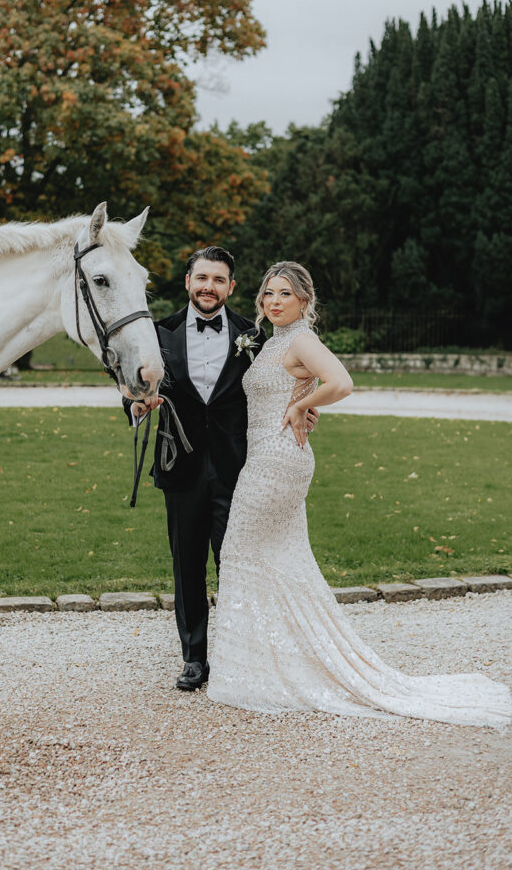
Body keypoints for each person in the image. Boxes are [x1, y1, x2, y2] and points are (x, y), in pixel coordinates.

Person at [207, 261, 512, 727]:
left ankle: (255, 672)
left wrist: (303, 406)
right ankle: (273, 666)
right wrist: (299, 403)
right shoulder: (270, 342)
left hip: (278, 462)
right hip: (266, 458)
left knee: (240, 552)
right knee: (276, 560)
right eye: (268, 293)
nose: (273, 301)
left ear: (304, 301)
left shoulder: (302, 340)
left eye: (284, 293)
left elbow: (342, 383)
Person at [124, 247, 318, 691]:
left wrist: (306, 407)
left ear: (231, 287)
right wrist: (137, 404)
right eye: (202, 278)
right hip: (181, 467)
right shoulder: (160, 333)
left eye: (218, 280)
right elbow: (134, 387)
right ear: (188, 282)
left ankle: (241, 657)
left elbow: (288, 380)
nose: (209, 286)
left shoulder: (256, 335)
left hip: (241, 470)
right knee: (186, 567)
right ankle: (194, 659)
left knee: (238, 565)